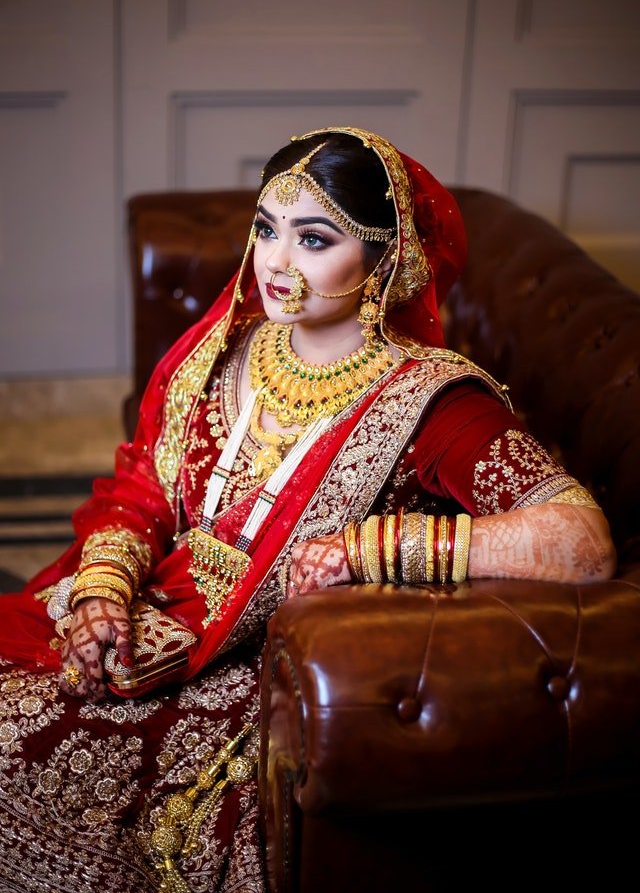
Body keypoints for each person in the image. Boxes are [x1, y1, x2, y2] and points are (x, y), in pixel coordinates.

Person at [0, 126, 615, 893]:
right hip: (150, 617)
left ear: (385, 261)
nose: (277, 263)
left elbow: (580, 540)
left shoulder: (430, 403)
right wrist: (101, 593)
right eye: (266, 228)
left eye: (314, 239)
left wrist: (373, 548)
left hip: (259, 669)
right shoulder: (226, 348)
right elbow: (144, 486)